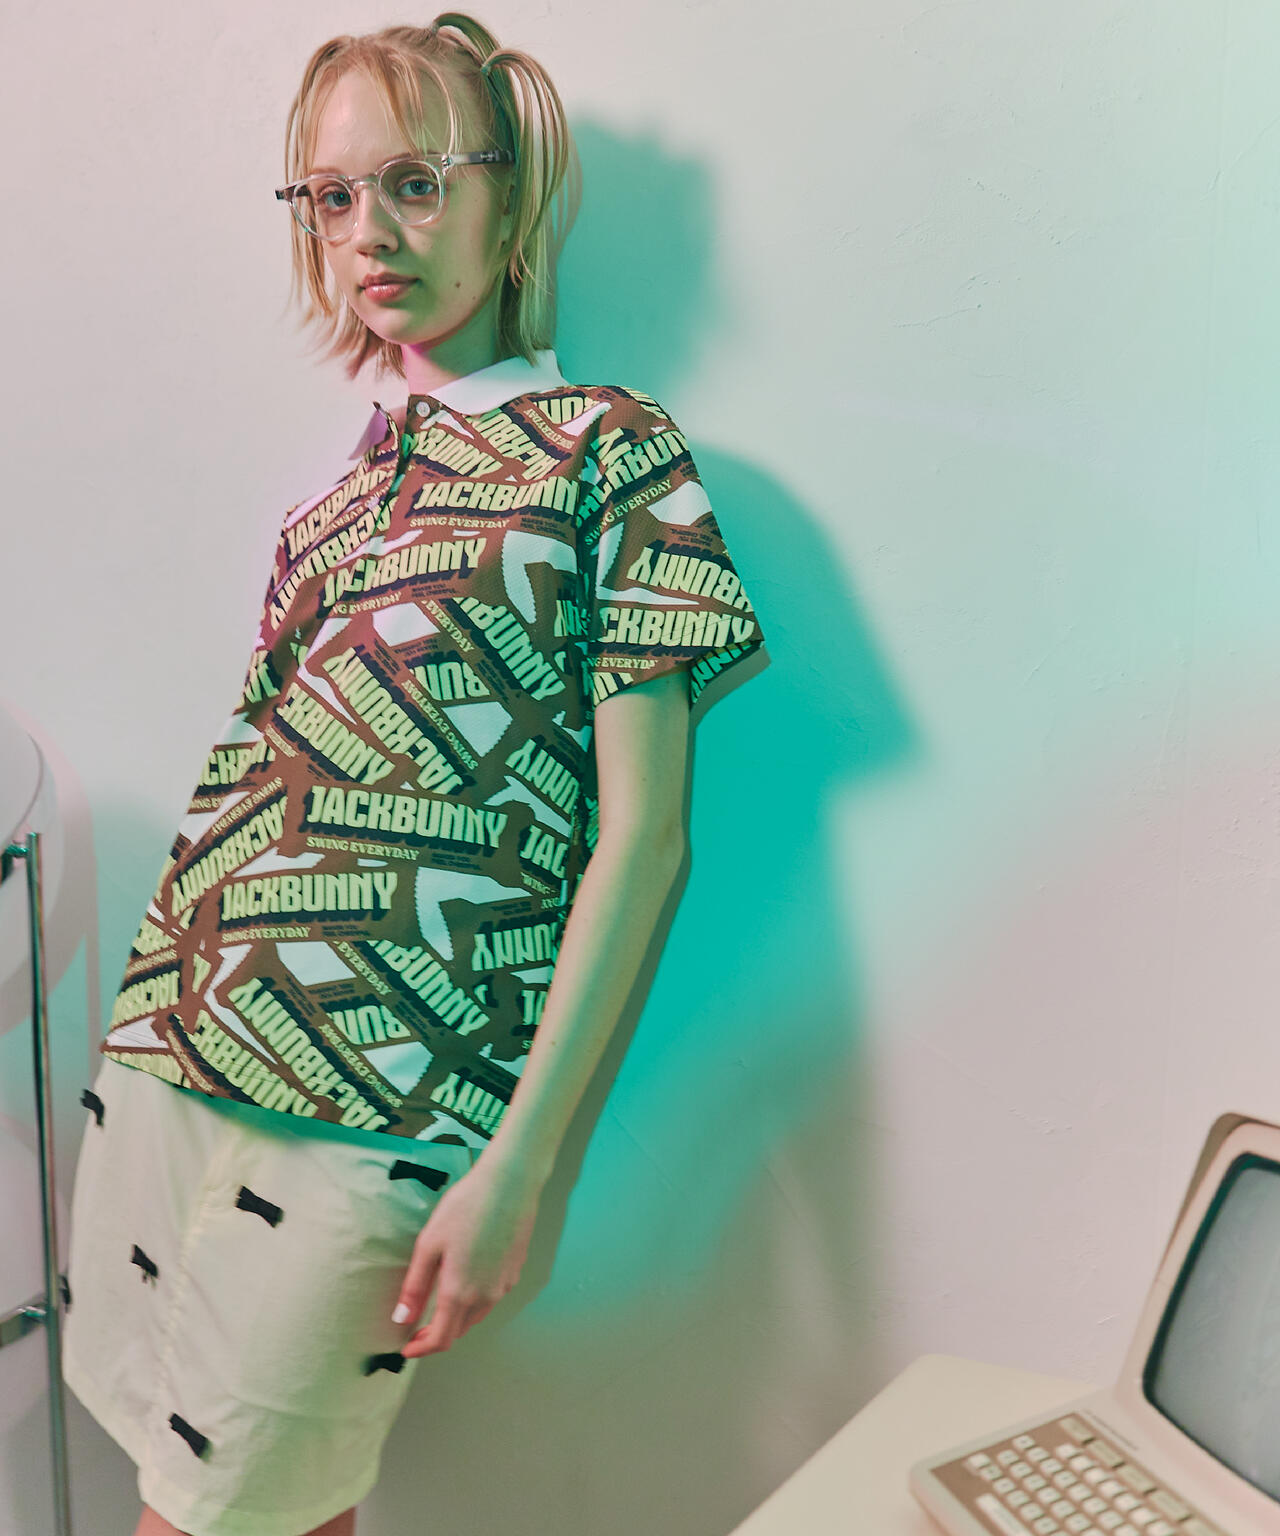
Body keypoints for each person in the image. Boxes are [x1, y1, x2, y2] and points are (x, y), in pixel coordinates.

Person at [61, 12, 768, 1536]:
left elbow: (646, 842)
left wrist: (527, 1168)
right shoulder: (328, 502)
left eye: (416, 183)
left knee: (216, 1507)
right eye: (332, 196)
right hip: (180, 1040)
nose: (370, 231)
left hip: (388, 1088)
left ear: (509, 200)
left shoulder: (610, 452)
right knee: (263, 1498)